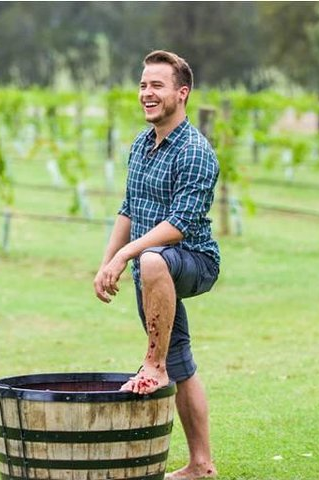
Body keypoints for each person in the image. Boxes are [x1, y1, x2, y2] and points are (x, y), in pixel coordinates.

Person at [93, 50, 220, 480]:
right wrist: (108, 260)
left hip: (193, 261)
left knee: (150, 259)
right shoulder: (141, 144)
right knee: (181, 361)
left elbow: (180, 225)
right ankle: (201, 465)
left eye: (157, 85)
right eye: (143, 84)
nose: (147, 93)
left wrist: (129, 254)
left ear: (181, 94)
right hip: (150, 270)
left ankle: (152, 364)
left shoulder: (196, 152)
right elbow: (128, 209)